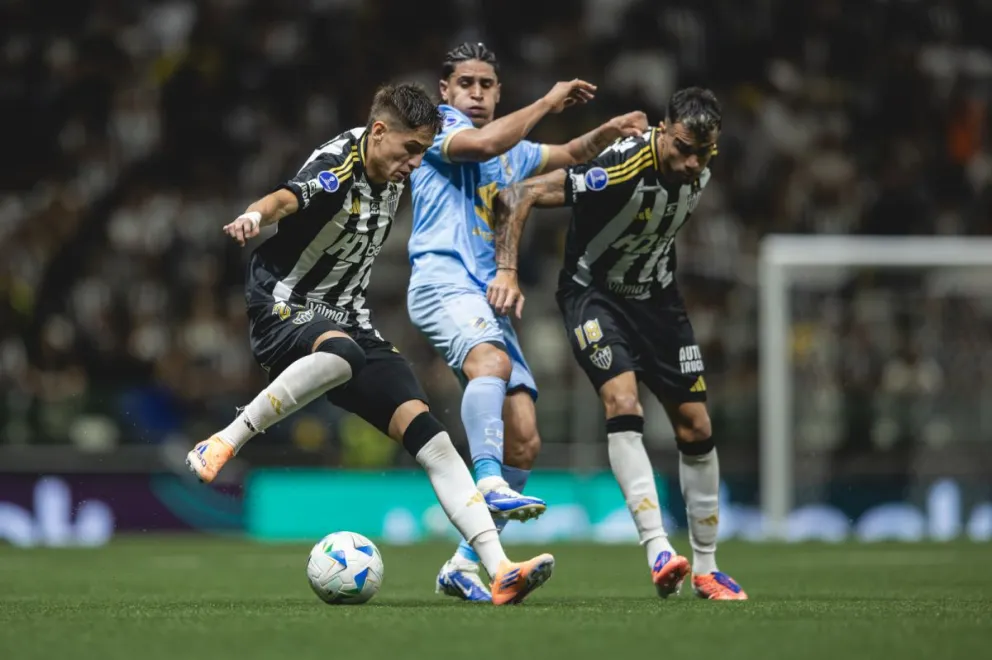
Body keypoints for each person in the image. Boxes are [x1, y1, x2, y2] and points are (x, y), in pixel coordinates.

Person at [185, 82, 554, 605]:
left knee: (434, 440)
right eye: (410, 150)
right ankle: (224, 439)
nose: (415, 163)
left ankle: (499, 570)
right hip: (284, 303)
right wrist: (253, 215)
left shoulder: (396, 167)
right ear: (378, 132)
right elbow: (286, 198)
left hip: (349, 320)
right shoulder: (339, 165)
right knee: (343, 355)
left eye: (422, 152)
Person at [406, 42, 648, 602]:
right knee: (490, 363)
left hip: (487, 298)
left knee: (525, 439)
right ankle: (487, 480)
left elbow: (570, 152)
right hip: (442, 280)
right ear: (445, 91)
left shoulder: (512, 149)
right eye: (465, 83)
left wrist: (609, 131)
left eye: (486, 85)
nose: (476, 93)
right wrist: (547, 101)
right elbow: (484, 144)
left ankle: (465, 564)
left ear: (498, 92)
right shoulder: (435, 129)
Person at [489, 87, 748, 601]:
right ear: (662, 130)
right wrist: (508, 270)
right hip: (594, 297)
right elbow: (517, 195)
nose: (692, 163)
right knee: (623, 402)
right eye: (683, 149)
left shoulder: (699, 165)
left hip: (659, 302)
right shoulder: (620, 166)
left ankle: (707, 569)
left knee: (697, 426)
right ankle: (658, 551)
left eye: (703, 153)